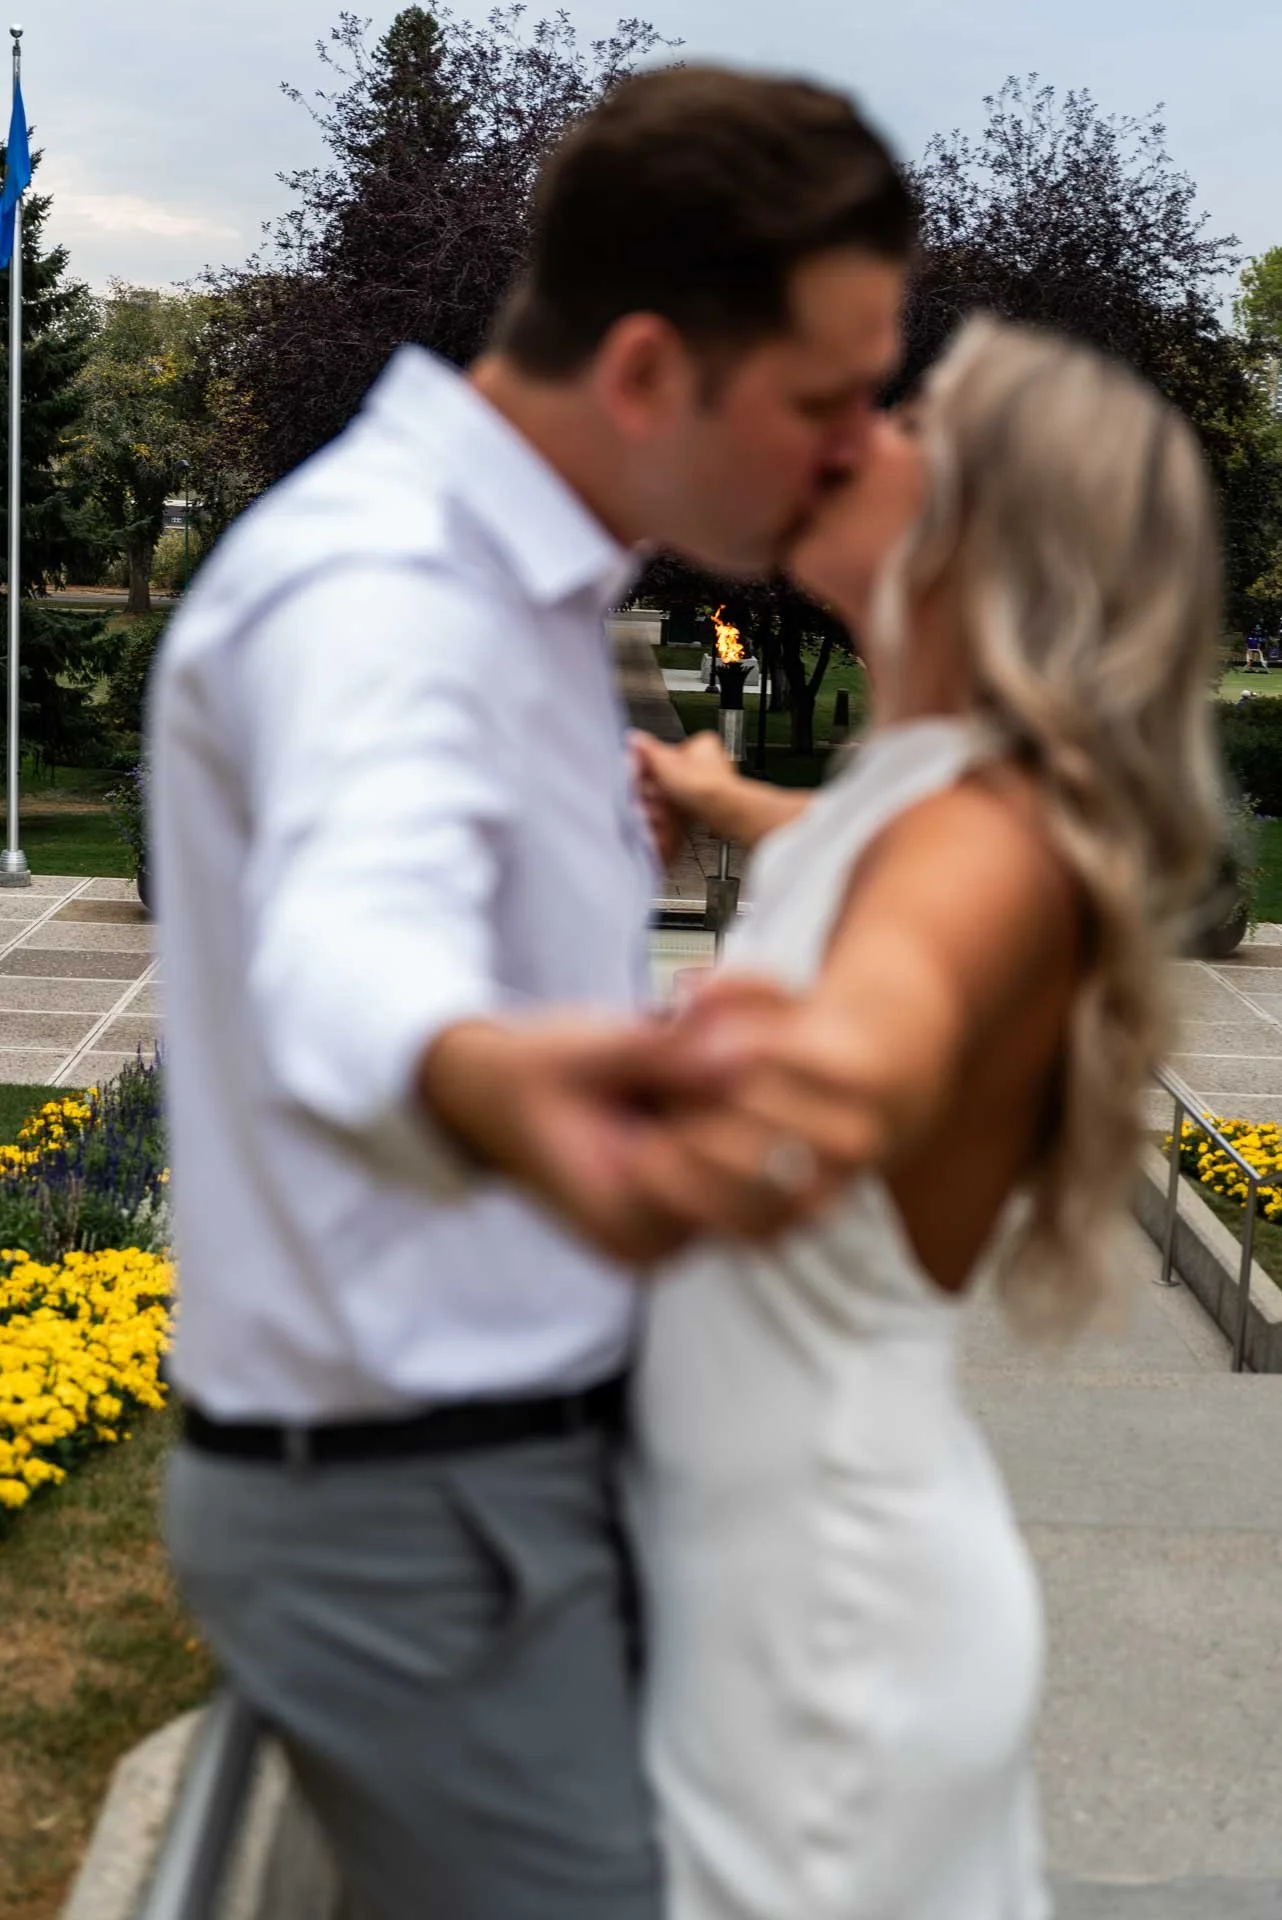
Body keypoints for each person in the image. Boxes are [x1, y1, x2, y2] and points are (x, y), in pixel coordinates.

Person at [152, 66, 917, 1920]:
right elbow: (351, 951)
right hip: (422, 1526)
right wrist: (485, 1075)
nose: (850, 454)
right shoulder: (387, 593)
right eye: (824, 402)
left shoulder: (506, 583)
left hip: (492, 1482)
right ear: (649, 372)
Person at [629, 317, 1224, 1919]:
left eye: (911, 424)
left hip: (820, 1634)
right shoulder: (926, 788)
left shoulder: (980, 847)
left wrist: (726, 1046)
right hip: (793, 1574)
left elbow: (864, 1057)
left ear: (990, 534)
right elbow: (850, 845)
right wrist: (713, 796)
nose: (854, 431)